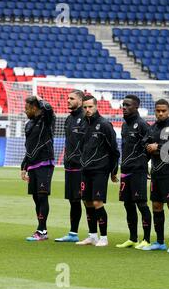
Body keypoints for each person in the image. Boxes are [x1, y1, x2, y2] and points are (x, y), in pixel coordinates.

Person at [76, 95, 120, 247]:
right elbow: (82, 146)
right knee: (87, 202)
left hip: (100, 170)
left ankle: (104, 237)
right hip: (85, 169)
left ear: (96, 106)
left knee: (97, 202)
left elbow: (114, 150)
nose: (87, 110)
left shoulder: (104, 125)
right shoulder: (82, 124)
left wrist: (113, 171)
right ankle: (92, 235)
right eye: (85, 107)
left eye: (90, 107)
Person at [142, 99, 169, 252]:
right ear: (155, 111)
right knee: (156, 205)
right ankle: (160, 241)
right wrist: (147, 149)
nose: (160, 113)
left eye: (163, 111)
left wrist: (157, 147)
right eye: (158, 111)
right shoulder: (152, 128)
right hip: (156, 174)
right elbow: (145, 146)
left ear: (168, 111)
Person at [116, 95, 152, 249]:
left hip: (138, 171)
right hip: (125, 170)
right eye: (123, 105)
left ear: (136, 107)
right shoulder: (125, 125)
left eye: (128, 105)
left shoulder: (143, 125)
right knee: (128, 204)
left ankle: (147, 239)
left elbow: (150, 147)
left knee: (141, 204)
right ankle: (132, 238)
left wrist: (142, 163)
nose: (124, 107)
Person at [21, 96, 55, 241]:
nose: (25, 110)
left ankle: (41, 231)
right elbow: (28, 147)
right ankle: (42, 229)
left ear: (35, 108)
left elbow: (49, 109)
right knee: (36, 198)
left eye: (27, 108)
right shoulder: (28, 125)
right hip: (33, 164)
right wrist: (24, 167)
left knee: (42, 196)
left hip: (45, 163)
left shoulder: (46, 120)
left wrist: (39, 100)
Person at [55, 90, 87, 243]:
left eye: (72, 98)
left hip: (82, 167)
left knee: (88, 200)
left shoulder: (86, 119)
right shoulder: (68, 119)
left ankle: (93, 234)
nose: (68, 100)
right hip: (70, 166)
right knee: (73, 200)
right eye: (67, 98)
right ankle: (73, 233)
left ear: (80, 101)